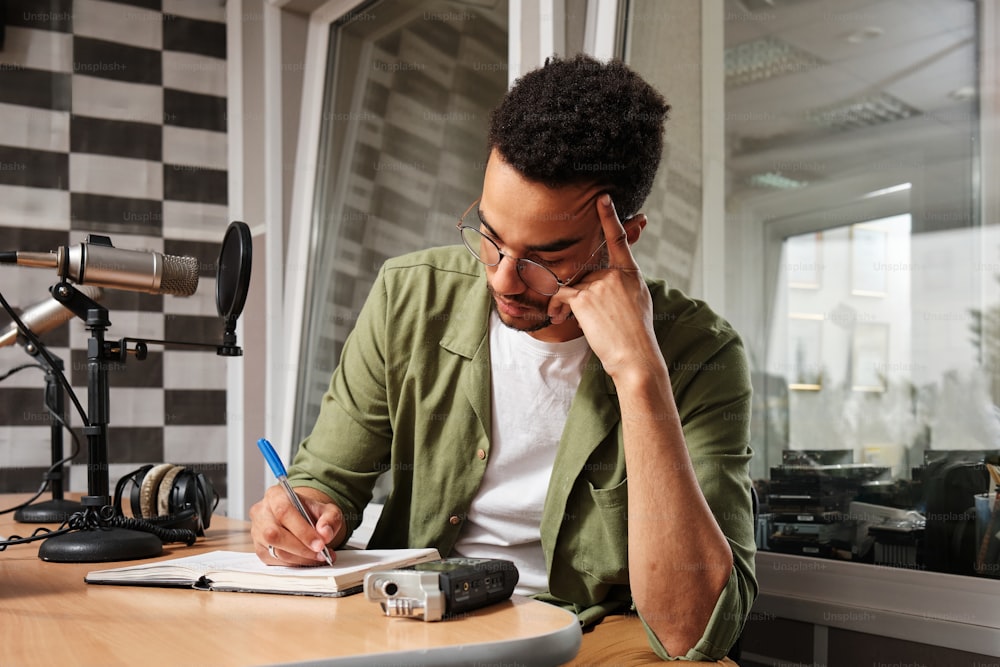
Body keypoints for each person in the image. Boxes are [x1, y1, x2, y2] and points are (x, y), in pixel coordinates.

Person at [250, 54, 756, 663]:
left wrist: (639, 375)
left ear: (628, 236)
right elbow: (325, 480)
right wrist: (301, 514)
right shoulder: (409, 295)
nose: (504, 279)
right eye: (490, 237)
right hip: (415, 614)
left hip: (592, 633)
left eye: (546, 257)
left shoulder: (702, 351)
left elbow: (691, 631)